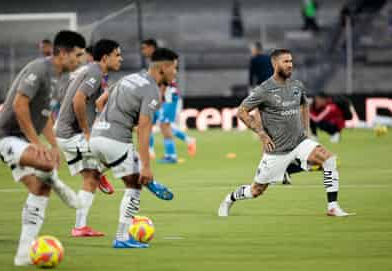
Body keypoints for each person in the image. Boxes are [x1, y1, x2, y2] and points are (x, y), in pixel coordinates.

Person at [0, 30, 86, 266]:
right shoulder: (38, 69)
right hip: (2, 138)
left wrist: (53, 144)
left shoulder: (62, 78)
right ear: (62, 53)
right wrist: (36, 142)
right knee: (46, 164)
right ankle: (59, 184)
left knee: (40, 188)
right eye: (78, 55)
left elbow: (46, 115)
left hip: (21, 140)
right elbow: (20, 106)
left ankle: (23, 255)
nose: (80, 60)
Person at [218, 49, 353, 218]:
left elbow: (305, 105)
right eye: (285, 62)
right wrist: (261, 133)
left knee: (329, 159)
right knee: (256, 190)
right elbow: (242, 111)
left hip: (300, 142)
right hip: (277, 149)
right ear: (275, 64)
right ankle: (229, 199)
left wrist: (306, 131)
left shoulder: (297, 85)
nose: (290, 65)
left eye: (291, 61)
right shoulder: (264, 90)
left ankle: (332, 207)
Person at [89, 48, 178, 248]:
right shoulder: (152, 89)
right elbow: (144, 129)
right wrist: (147, 166)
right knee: (135, 185)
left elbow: (99, 101)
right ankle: (121, 238)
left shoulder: (129, 78)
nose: (176, 73)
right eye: (174, 68)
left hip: (96, 137)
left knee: (127, 166)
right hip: (116, 141)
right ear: (164, 67)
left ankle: (102, 170)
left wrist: (112, 123)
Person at [55, 39, 122, 237]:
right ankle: (101, 169)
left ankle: (80, 227)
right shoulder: (94, 71)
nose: (121, 59)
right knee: (121, 150)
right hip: (72, 134)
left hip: (66, 132)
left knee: (90, 178)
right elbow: (78, 99)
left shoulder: (93, 72)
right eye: (117, 54)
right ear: (105, 57)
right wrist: (86, 130)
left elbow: (95, 103)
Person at [140, 38, 196, 163]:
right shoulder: (155, 62)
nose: (142, 51)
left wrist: (158, 97)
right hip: (165, 97)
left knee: (164, 124)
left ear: (151, 48)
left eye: (144, 48)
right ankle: (184, 142)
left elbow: (164, 81)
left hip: (169, 97)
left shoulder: (163, 60)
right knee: (159, 124)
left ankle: (171, 155)